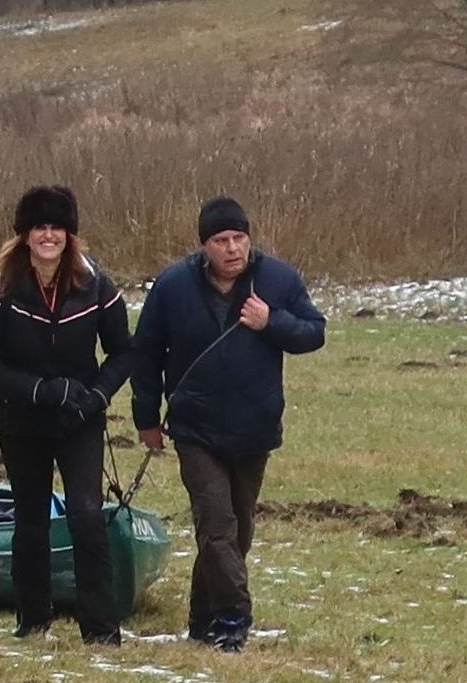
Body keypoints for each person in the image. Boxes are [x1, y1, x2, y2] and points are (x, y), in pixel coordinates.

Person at [131, 196, 325, 652]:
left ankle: (202, 619)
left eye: (240, 238)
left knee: (237, 534)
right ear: (205, 246)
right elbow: (146, 353)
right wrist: (146, 417)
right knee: (216, 525)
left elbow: (313, 333)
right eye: (222, 240)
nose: (233, 248)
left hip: (254, 426)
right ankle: (235, 617)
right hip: (195, 427)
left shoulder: (277, 279)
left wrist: (270, 321)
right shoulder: (173, 286)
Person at [0, 185, 134, 645]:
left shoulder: (97, 285)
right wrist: (40, 391)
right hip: (22, 421)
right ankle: (33, 619)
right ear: (24, 235)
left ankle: (101, 630)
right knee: (32, 518)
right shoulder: (2, 292)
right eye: (39, 227)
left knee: (85, 514)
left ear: (69, 234)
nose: (48, 235)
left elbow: (124, 352)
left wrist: (97, 396)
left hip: (79, 420)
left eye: (56, 227)